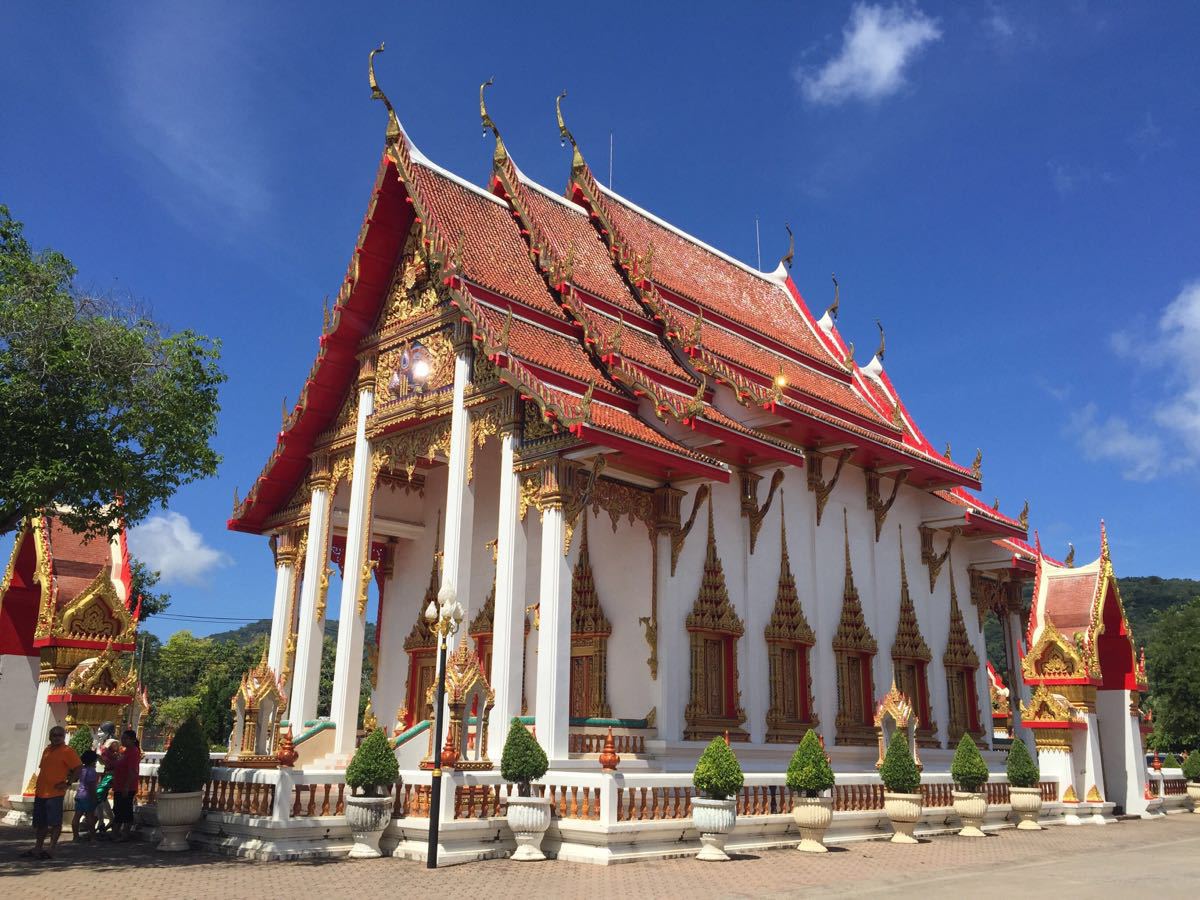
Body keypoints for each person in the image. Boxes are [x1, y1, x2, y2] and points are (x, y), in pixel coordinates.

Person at [21, 725, 81, 859]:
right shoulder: (47, 750)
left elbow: (78, 767)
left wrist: (68, 783)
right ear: (50, 737)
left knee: (55, 822)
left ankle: (52, 848)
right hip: (42, 792)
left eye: (60, 735)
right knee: (41, 823)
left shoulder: (67, 751)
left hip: (55, 793)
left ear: (64, 737)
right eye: (54, 735)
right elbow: (44, 769)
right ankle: (38, 848)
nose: (57, 738)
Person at [110, 729, 142, 842]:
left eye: (125, 738)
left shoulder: (134, 752)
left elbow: (132, 771)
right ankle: (116, 833)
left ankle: (124, 834)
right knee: (118, 809)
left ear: (132, 740)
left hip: (127, 786)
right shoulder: (125, 751)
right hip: (119, 785)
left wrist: (127, 786)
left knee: (125, 810)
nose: (122, 740)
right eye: (122, 738)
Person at [93, 721, 119, 837]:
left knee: (98, 795)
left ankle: (106, 821)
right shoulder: (100, 742)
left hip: (109, 774)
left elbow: (113, 759)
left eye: (101, 731)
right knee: (101, 798)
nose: (98, 733)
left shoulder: (113, 743)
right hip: (101, 773)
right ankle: (103, 821)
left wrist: (100, 753)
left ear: (108, 732)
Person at [72, 750, 100, 841]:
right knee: (90, 817)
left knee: (77, 816)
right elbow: (91, 786)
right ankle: (93, 837)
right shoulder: (92, 771)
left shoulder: (82, 769)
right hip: (88, 796)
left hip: (79, 794)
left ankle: (76, 836)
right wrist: (95, 797)